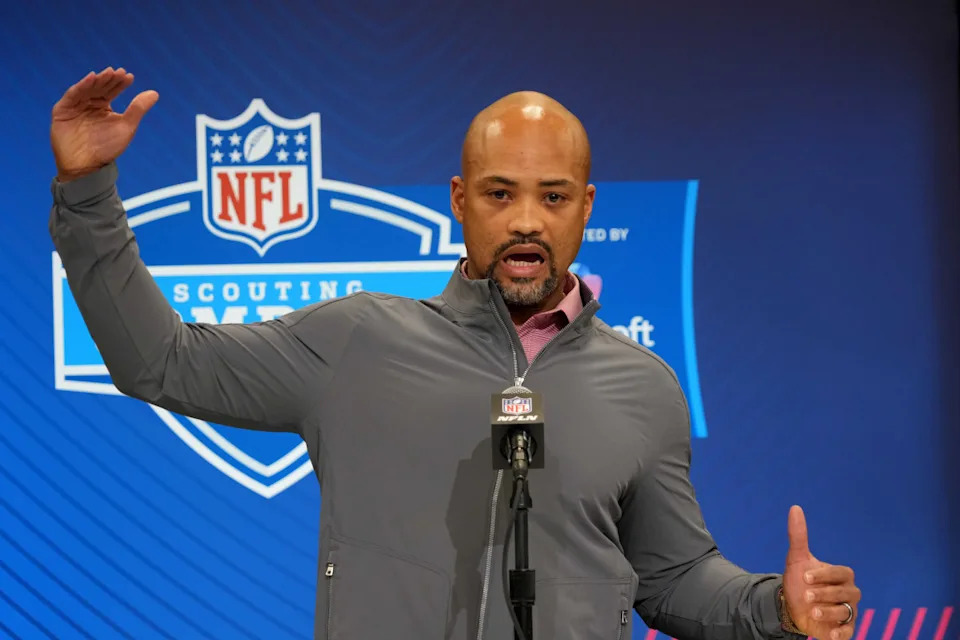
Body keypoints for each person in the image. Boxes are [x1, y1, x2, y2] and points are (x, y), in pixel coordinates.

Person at [49, 67, 861, 640]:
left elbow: (673, 578)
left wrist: (775, 610)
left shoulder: (643, 388)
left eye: (552, 198)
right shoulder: (357, 342)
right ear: (460, 201)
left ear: (585, 209)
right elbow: (160, 359)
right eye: (501, 194)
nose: (527, 222)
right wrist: (88, 195)